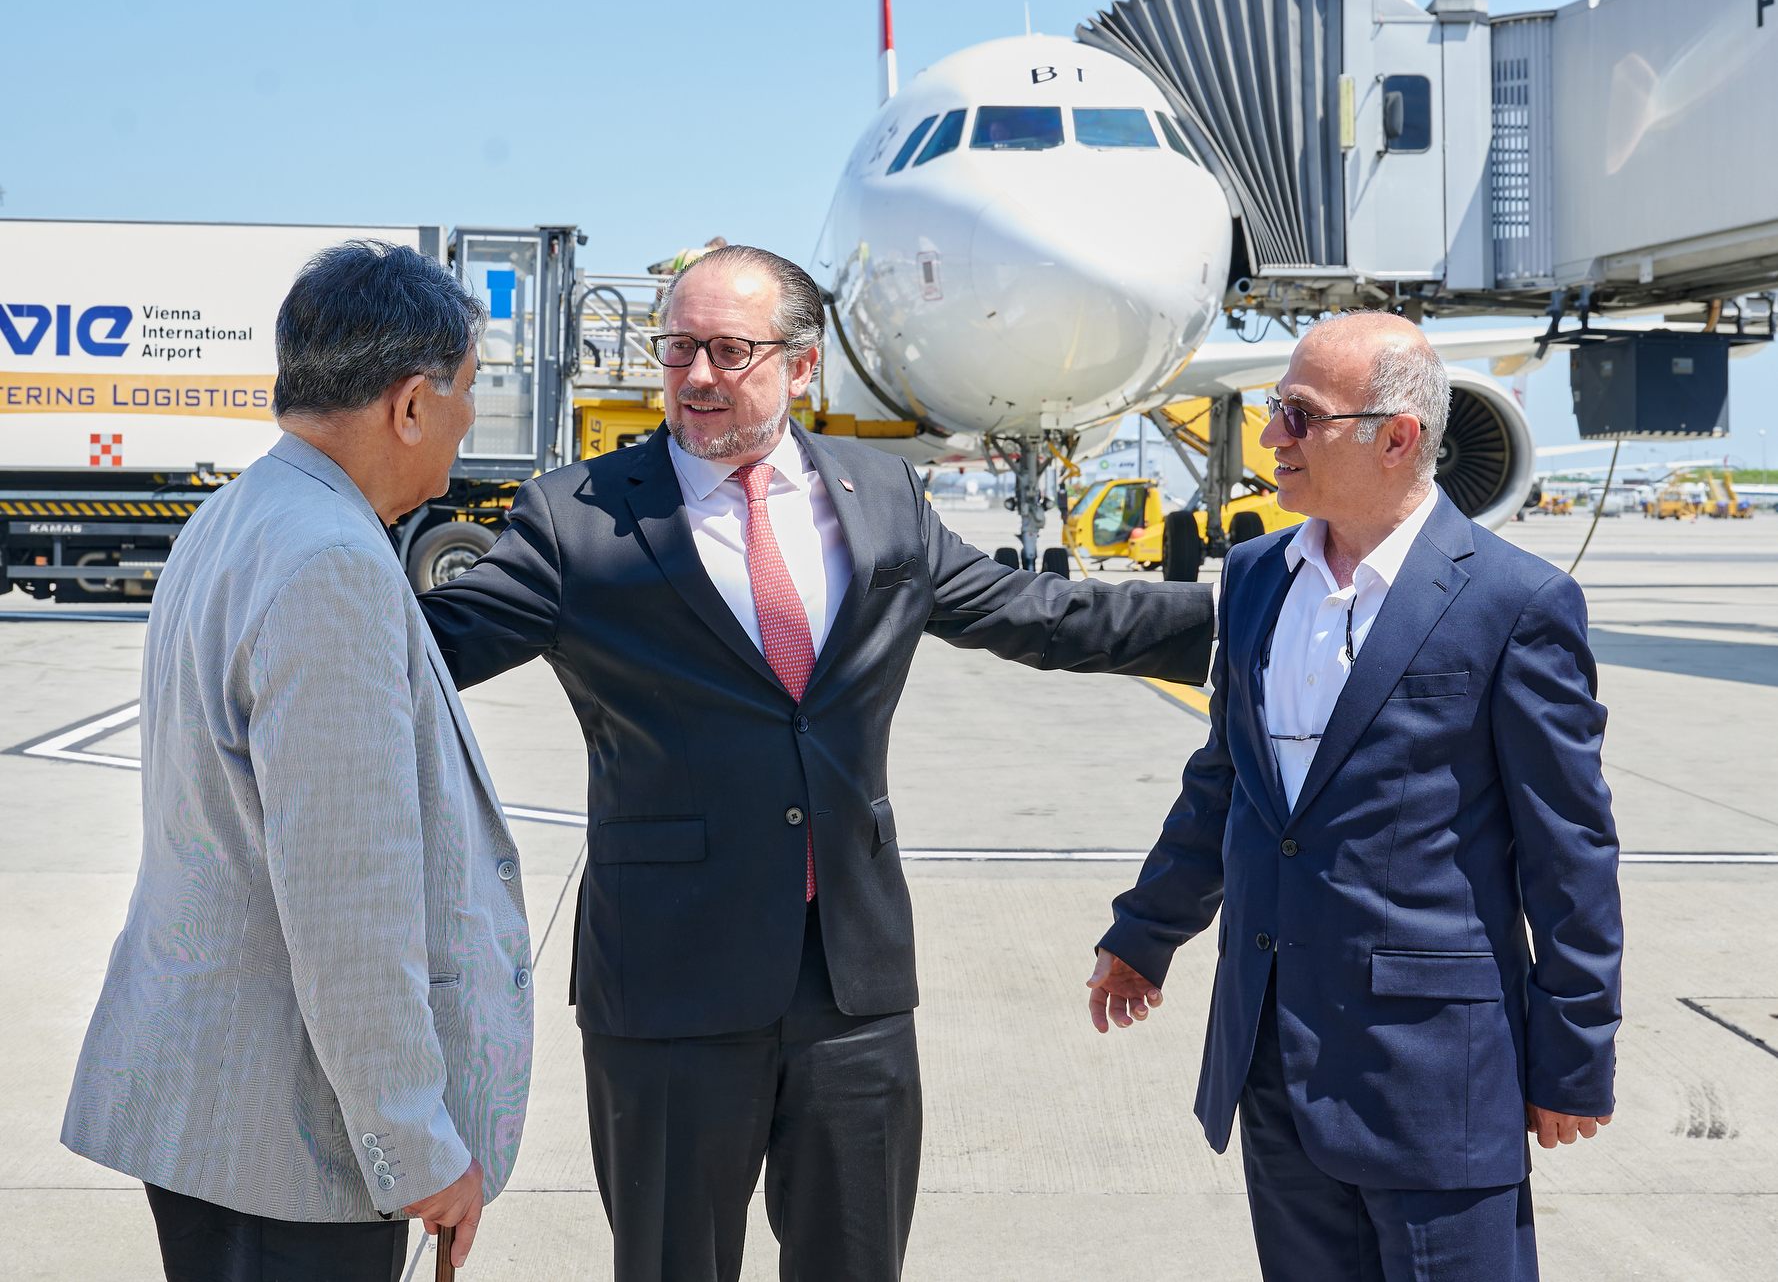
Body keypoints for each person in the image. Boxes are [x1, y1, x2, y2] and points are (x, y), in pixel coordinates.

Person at [418, 244, 1216, 1282]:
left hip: (851, 979)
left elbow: (1037, 612)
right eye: (677, 348)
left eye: (727, 350)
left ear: (801, 367)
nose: (696, 375)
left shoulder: (880, 495)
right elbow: (430, 650)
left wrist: (1245, 612)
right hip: (669, 985)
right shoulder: (577, 519)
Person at [1088, 312, 1623, 1281]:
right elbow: (1225, 783)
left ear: (1396, 436)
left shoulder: (1513, 603)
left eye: (1297, 414)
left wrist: (1572, 1053)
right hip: (1271, 1057)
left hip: (1433, 1080)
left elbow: (1568, 850)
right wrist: (1141, 931)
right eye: (1273, 410)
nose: (1269, 437)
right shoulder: (1254, 578)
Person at [62, 241, 533, 1280]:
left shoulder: (238, 513)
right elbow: (345, 899)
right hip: (293, 1136)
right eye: (466, 389)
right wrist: (414, 1140)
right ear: (411, 403)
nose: (466, 419)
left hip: (215, 1106)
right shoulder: (332, 563)